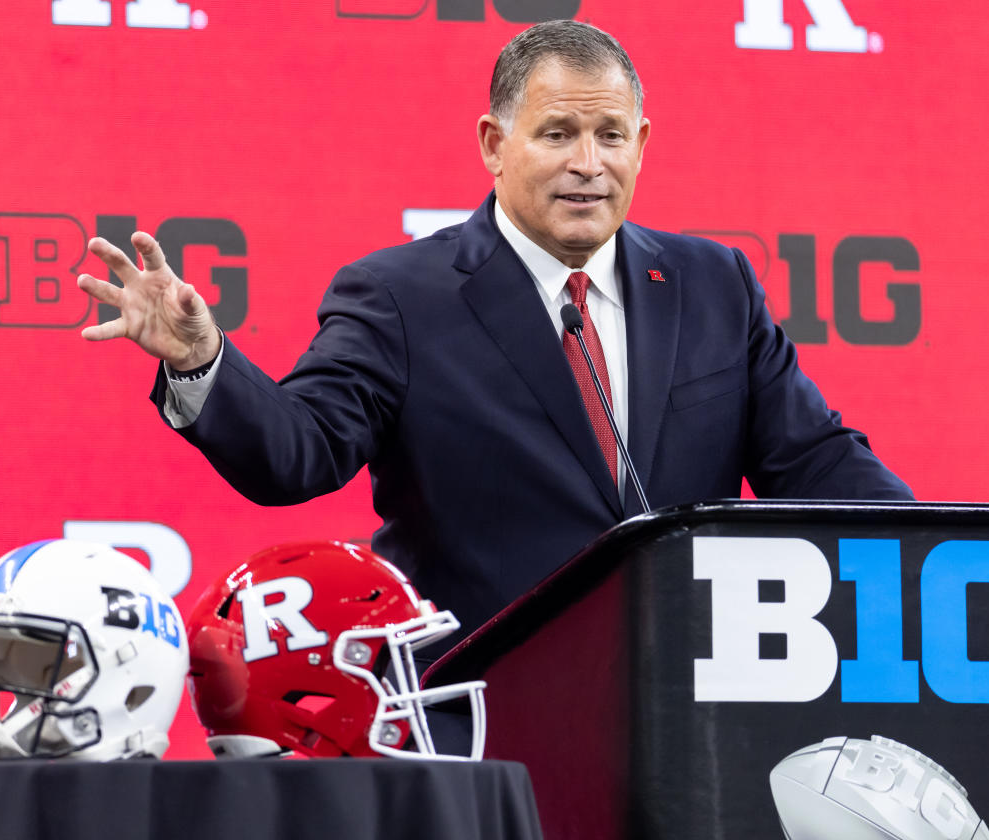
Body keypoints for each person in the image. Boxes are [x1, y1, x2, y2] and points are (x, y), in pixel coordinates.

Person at [77, 20, 912, 663]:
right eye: (557, 135)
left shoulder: (714, 285)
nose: (589, 163)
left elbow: (820, 467)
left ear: (642, 145)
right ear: (493, 144)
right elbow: (300, 453)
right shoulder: (401, 296)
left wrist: (974, 552)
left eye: (611, 136)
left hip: (684, 713)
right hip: (483, 721)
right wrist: (201, 361)